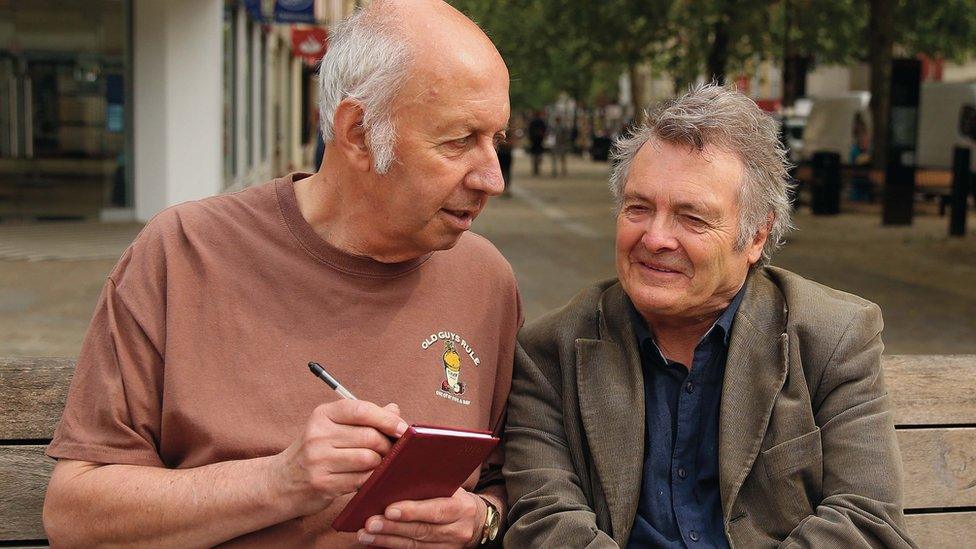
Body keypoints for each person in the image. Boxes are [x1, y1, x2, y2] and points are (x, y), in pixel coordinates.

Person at [43, 1, 521, 547]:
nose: (492, 178)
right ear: (359, 132)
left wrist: (481, 520)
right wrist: (280, 481)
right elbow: (75, 519)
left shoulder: (486, 280)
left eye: (497, 141)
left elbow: (511, 485)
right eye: (460, 141)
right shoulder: (183, 253)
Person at [504, 84, 915, 548]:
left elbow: (866, 521)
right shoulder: (548, 352)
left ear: (756, 237)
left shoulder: (832, 338)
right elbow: (546, 520)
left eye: (692, 218)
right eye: (638, 208)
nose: (655, 237)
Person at [527, 112, 547, 176]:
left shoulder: (532, 122)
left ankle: (535, 168)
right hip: (539, 141)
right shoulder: (542, 122)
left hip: (534, 141)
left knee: (534, 155)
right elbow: (545, 131)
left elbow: (529, 131)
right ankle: (537, 167)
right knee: (538, 155)